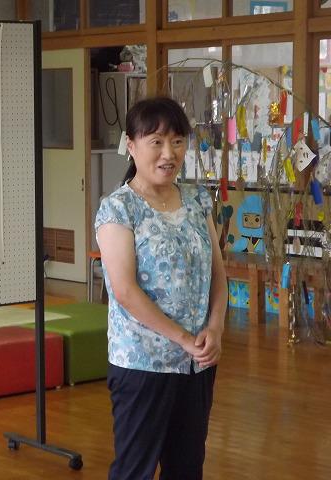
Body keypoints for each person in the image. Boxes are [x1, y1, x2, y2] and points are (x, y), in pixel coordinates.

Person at [95, 96, 228, 480]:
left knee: (187, 467)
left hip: (196, 363)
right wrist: (184, 339)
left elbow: (217, 274)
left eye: (177, 141)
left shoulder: (197, 200)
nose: (169, 153)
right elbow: (125, 291)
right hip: (143, 365)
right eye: (156, 142)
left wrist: (215, 328)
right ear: (131, 145)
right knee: (134, 470)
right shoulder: (118, 208)